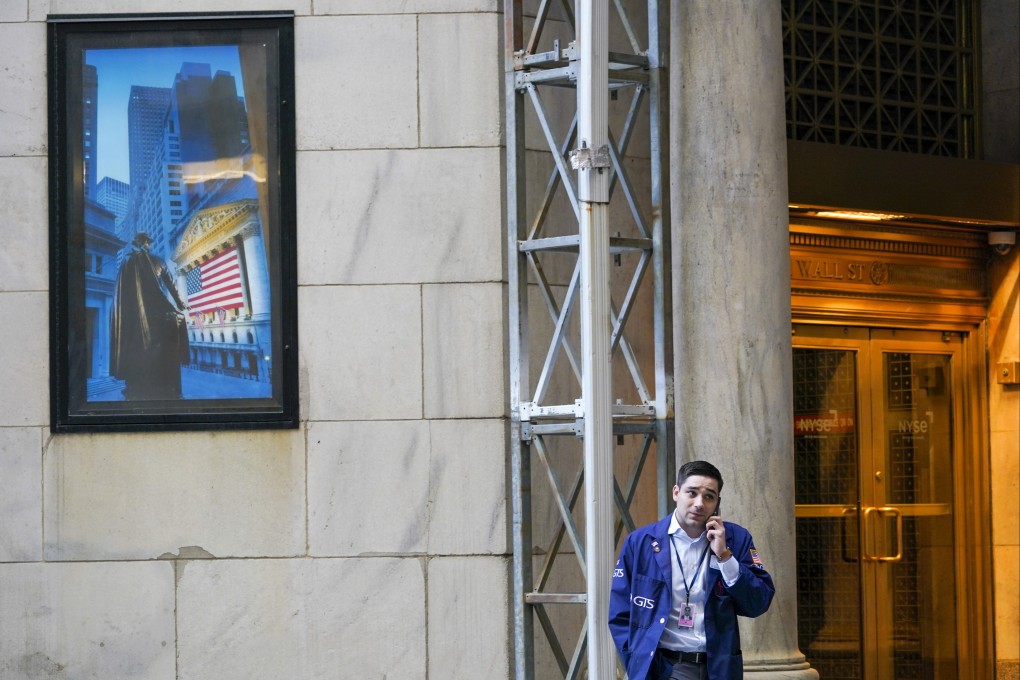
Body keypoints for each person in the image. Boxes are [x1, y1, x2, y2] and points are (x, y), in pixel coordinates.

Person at [609, 460, 774, 680]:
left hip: (719, 667)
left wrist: (725, 556)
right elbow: (619, 613)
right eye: (692, 493)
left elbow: (758, 603)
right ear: (676, 492)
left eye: (709, 496)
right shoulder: (641, 543)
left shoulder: (736, 539)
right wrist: (637, 660)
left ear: (717, 503)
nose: (699, 504)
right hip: (665, 669)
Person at [109, 232, 190, 400]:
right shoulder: (158, 260)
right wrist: (181, 305)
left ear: (137, 243)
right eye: (148, 242)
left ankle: (135, 385)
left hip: (132, 317)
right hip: (159, 313)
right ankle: (168, 386)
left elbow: (121, 294)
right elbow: (171, 286)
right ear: (147, 243)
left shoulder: (126, 261)